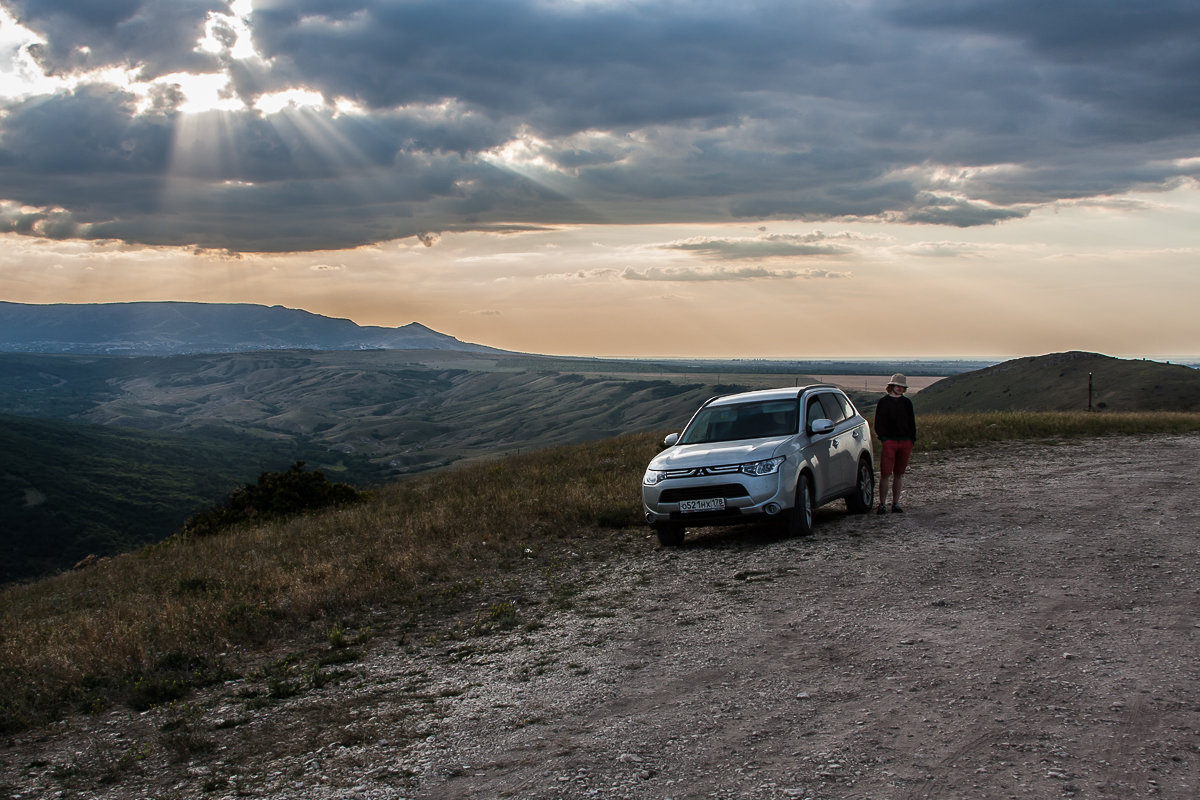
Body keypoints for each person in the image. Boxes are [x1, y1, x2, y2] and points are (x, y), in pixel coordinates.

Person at [873, 372, 916, 514]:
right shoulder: (883, 402)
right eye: (897, 386)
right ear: (891, 386)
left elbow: (911, 422)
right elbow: (878, 423)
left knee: (899, 473)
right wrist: (884, 439)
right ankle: (882, 504)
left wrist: (911, 440)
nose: (899, 388)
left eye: (902, 387)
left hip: (905, 441)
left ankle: (896, 503)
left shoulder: (907, 403)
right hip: (889, 441)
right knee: (886, 473)